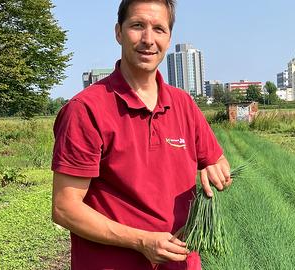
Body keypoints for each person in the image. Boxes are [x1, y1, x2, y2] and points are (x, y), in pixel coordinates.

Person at [51, 0, 231, 269]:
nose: (148, 39)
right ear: (118, 32)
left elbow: (217, 161)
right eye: (137, 26)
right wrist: (141, 241)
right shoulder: (86, 110)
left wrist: (216, 171)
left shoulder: (183, 104)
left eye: (159, 29)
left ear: (169, 38)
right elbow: (65, 207)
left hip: (181, 263)